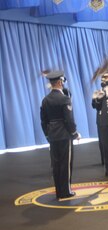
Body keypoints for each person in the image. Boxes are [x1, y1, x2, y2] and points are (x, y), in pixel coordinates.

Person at [40, 71, 80, 199]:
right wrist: (74, 134)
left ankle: (58, 191)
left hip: (52, 135)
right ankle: (66, 191)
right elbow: (69, 120)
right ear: (60, 82)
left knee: (56, 164)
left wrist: (47, 135)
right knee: (65, 164)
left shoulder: (45, 100)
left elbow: (43, 120)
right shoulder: (64, 99)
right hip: (64, 135)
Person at [91, 75, 106, 165]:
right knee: (102, 141)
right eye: (101, 80)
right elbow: (94, 106)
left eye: (104, 80)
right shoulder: (98, 92)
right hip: (100, 119)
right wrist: (94, 98)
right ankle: (103, 160)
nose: (103, 82)